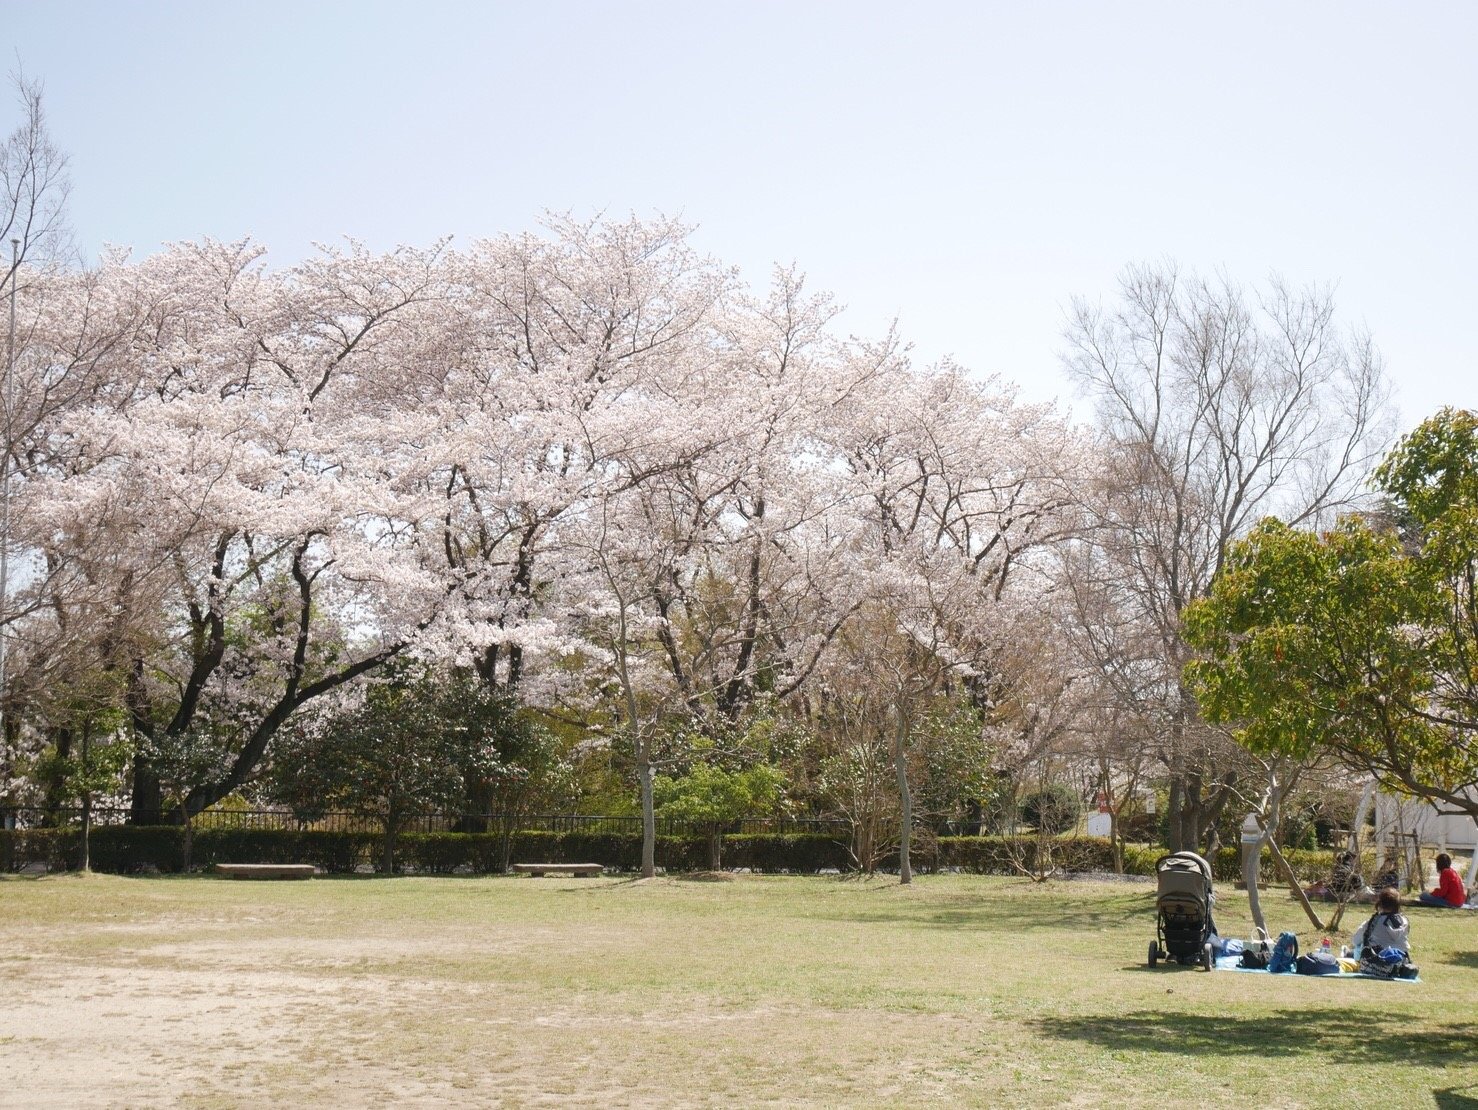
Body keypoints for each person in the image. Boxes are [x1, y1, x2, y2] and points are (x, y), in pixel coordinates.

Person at [1350, 888, 1410, 957]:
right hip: (1401, 960)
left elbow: (1355, 941)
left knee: (1353, 951)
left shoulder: (1372, 922)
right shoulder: (1405, 921)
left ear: (1379, 904)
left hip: (1377, 962)